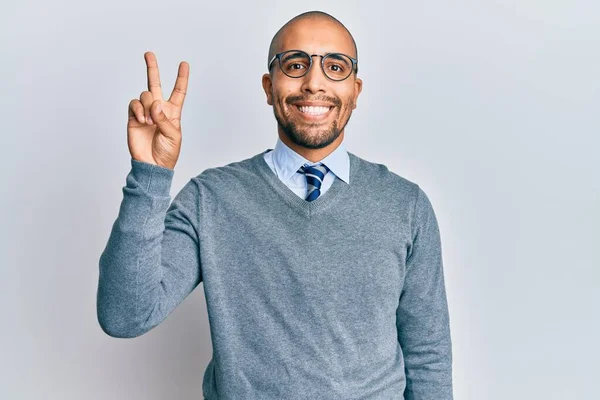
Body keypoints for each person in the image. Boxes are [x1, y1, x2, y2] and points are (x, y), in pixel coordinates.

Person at [97, 10, 453, 400]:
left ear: (355, 90)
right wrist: (151, 174)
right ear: (269, 87)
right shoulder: (210, 199)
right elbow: (124, 315)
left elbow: (427, 356)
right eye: (295, 64)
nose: (314, 82)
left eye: (335, 66)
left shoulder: (405, 205)